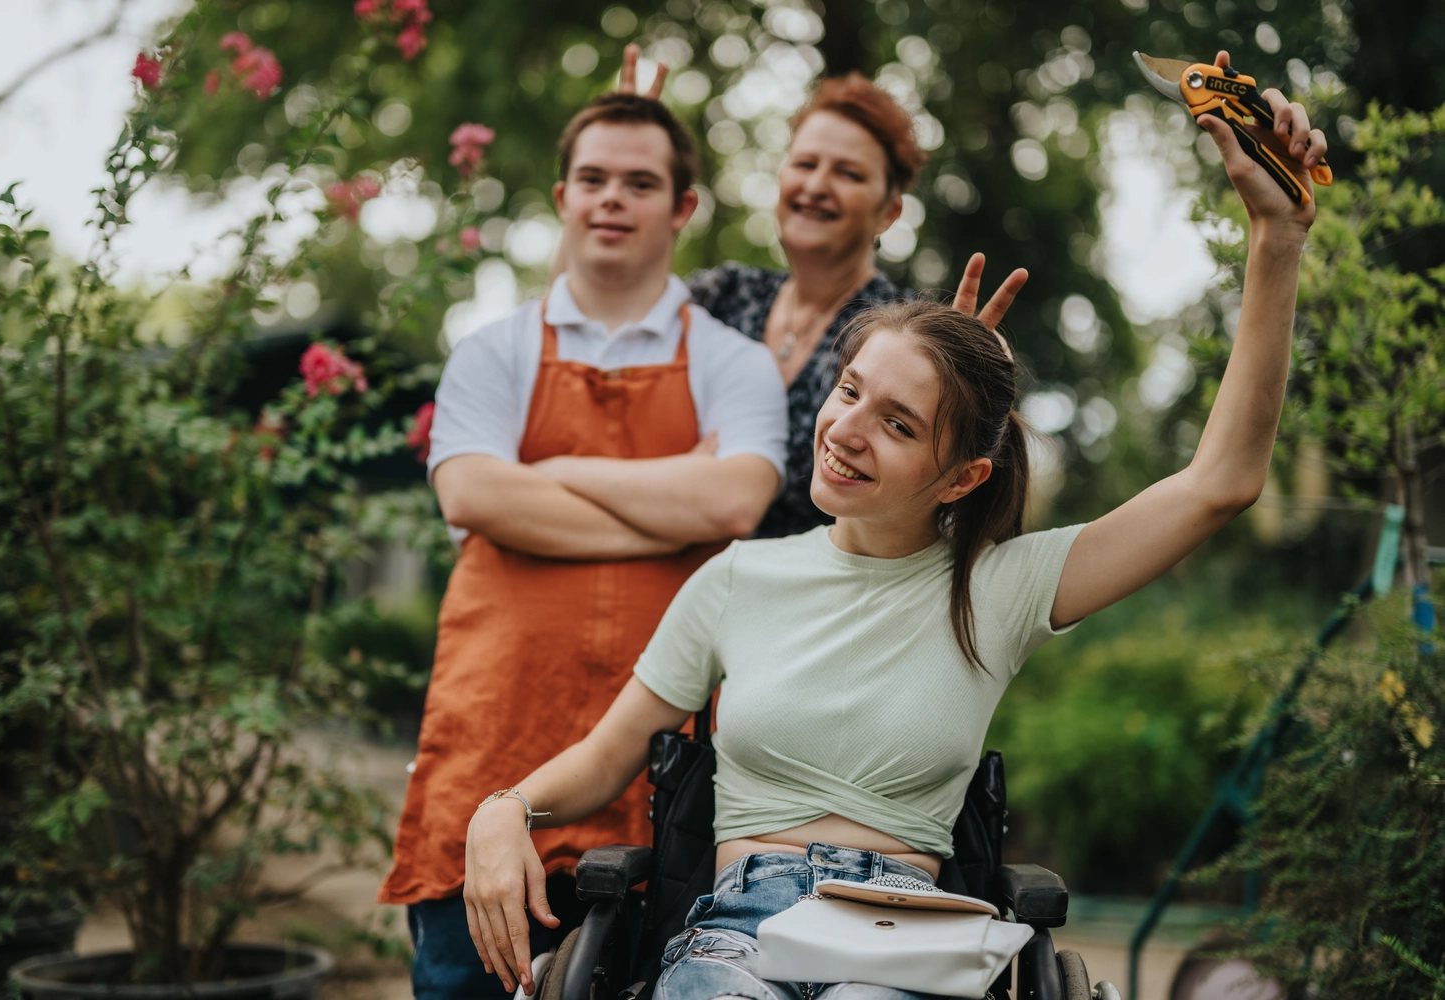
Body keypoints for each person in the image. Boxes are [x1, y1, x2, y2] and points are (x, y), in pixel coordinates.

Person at [462, 54, 1326, 1000]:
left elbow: (1221, 482)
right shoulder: (735, 579)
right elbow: (605, 758)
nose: (846, 430)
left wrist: (1276, 237)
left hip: (903, 943)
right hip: (736, 936)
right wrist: (508, 808)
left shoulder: (998, 587)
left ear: (963, 477)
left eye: (900, 424)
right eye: (849, 391)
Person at [379, 92, 789, 1000]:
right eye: (594, 179)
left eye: (640, 183)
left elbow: (734, 499)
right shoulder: (491, 351)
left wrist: (553, 471)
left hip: (665, 771)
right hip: (496, 743)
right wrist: (670, 501)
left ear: (682, 208)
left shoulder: (736, 363)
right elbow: (472, 492)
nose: (612, 198)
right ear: (563, 197)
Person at [582, 50, 1028, 539]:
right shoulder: (721, 296)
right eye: (805, 163)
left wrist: (974, 391)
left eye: (848, 173)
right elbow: (582, 338)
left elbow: (943, 508)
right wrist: (607, 171)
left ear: (888, 213)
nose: (816, 185)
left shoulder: (897, 341)